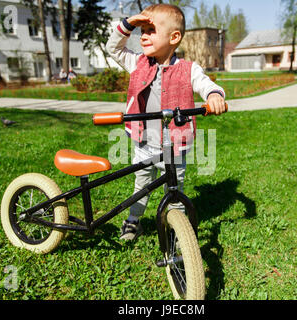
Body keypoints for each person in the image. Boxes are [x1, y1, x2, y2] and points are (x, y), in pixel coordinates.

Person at [106, 4, 226, 241]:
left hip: (174, 144)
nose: (144, 36)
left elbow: (206, 84)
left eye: (151, 30)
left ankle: (176, 228)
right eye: (142, 31)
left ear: (174, 37)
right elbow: (113, 48)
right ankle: (133, 221)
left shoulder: (188, 69)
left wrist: (214, 95)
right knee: (141, 185)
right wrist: (129, 23)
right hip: (144, 141)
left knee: (174, 189)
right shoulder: (137, 63)